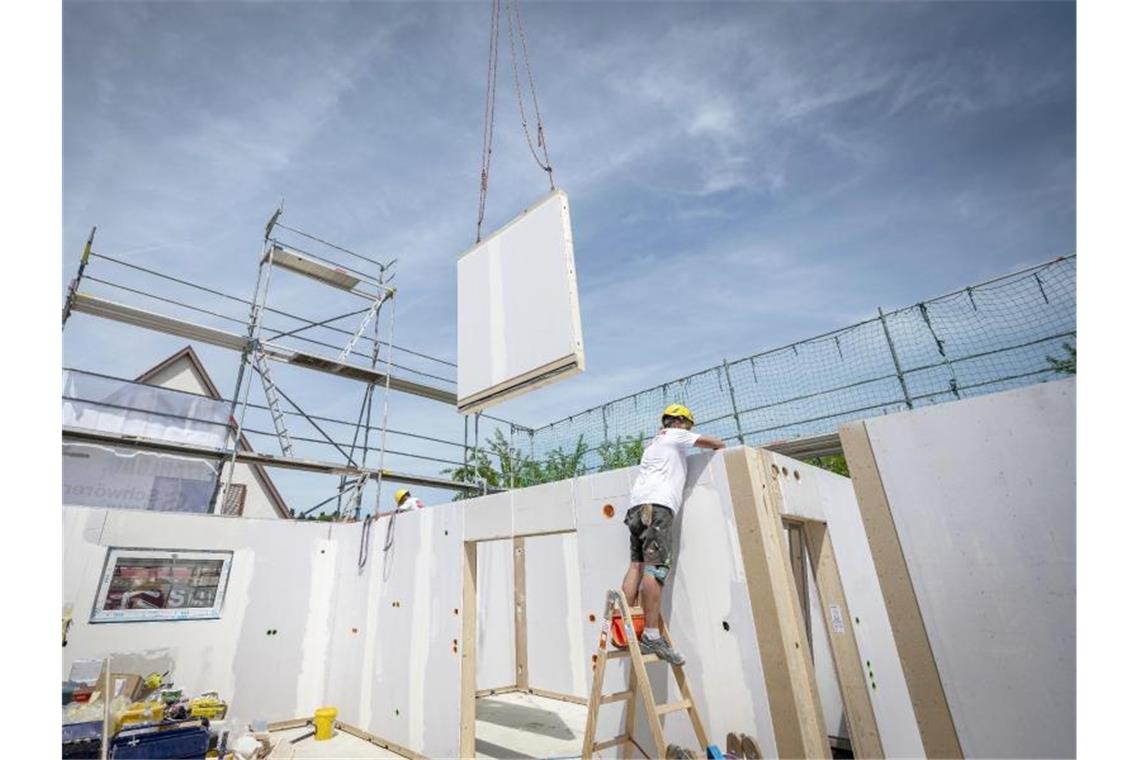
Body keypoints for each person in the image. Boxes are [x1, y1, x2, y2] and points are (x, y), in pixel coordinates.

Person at [622, 404, 726, 665]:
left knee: (636, 565)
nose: (688, 431)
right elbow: (716, 443)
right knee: (655, 570)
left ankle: (625, 625)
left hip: (636, 507)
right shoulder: (675, 434)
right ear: (680, 421)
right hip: (658, 507)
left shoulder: (652, 445)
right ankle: (651, 635)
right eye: (688, 426)